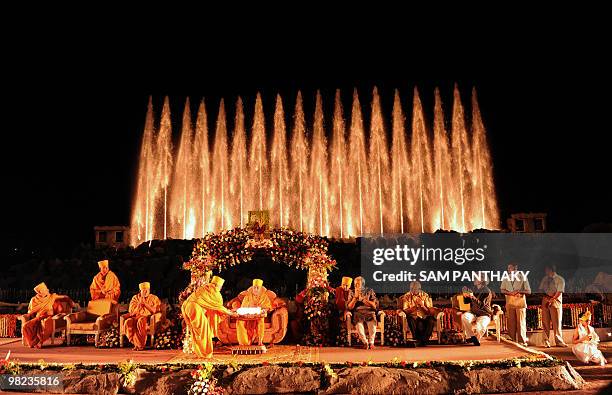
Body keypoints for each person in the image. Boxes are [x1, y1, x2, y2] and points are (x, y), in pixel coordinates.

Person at [181, 276, 237, 358]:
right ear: (217, 285)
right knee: (204, 331)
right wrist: (230, 313)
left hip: (187, 307)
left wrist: (229, 311)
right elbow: (218, 307)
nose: (220, 289)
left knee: (197, 331)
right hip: (194, 308)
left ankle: (200, 353)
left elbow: (212, 306)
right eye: (220, 287)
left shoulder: (203, 288)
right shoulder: (213, 291)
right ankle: (206, 353)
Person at [21, 282, 75, 348]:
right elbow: (31, 311)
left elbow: (65, 297)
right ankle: (32, 343)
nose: (48, 290)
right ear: (40, 292)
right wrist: (34, 317)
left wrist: (70, 301)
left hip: (49, 316)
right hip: (38, 317)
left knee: (47, 323)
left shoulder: (52, 297)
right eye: (46, 289)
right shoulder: (34, 300)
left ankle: (39, 341)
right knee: (26, 326)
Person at [123, 282, 161, 351]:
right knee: (127, 322)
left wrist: (145, 304)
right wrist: (139, 305)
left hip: (147, 318)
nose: (146, 291)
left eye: (148, 290)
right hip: (135, 317)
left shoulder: (154, 298)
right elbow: (132, 313)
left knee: (140, 321)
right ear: (140, 291)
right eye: (144, 290)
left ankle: (140, 345)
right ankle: (135, 343)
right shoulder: (135, 298)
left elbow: (155, 311)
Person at [500, 263, 531, 346]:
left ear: (515, 267)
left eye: (510, 268)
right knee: (511, 323)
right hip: (510, 303)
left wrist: (519, 291)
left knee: (521, 323)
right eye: (508, 268)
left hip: (520, 304)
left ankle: (522, 341)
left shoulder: (523, 277)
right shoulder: (506, 277)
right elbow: (502, 290)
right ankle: (512, 341)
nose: (508, 269)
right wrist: (510, 293)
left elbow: (528, 291)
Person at [398, 281, 437, 346]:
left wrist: (422, 305)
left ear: (419, 289)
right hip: (413, 317)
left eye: (415, 288)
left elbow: (429, 311)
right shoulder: (406, 296)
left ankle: (422, 341)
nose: (413, 290)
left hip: (424, 317)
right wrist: (415, 307)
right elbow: (405, 311)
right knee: (410, 318)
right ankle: (418, 340)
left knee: (431, 320)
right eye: (412, 289)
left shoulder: (425, 295)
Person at [538, 265, 568, 347]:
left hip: (555, 301)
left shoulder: (559, 279)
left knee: (557, 322)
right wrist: (546, 297)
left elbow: (559, 291)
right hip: (545, 300)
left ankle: (559, 341)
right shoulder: (545, 279)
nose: (545, 271)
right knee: (545, 322)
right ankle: (546, 341)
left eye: (546, 269)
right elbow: (540, 289)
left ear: (551, 270)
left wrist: (552, 299)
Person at [236, 279, 272, 346]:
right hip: (249, 315)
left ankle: (260, 341)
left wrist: (264, 310)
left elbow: (267, 307)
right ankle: (246, 341)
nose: (255, 289)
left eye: (257, 288)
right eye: (254, 287)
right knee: (241, 322)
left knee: (261, 320)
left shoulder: (264, 297)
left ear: (260, 289)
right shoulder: (247, 296)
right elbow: (243, 307)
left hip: (259, 315)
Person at [346, 276, 379, 349]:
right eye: (355, 284)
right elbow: (349, 307)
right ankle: (365, 342)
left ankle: (371, 342)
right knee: (359, 325)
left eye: (358, 284)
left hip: (369, 311)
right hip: (358, 312)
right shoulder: (352, 292)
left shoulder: (369, 291)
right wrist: (355, 298)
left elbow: (374, 305)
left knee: (372, 323)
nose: (356, 285)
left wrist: (363, 300)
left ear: (363, 284)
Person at [461, 279, 493, 346]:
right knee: (464, 317)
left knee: (481, 327)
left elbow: (481, 305)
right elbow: (466, 302)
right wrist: (465, 296)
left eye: (476, 278)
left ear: (481, 281)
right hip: (473, 313)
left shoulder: (487, 291)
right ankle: (472, 336)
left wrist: (472, 296)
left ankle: (476, 339)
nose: (474, 280)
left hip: (484, 314)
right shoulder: (473, 289)